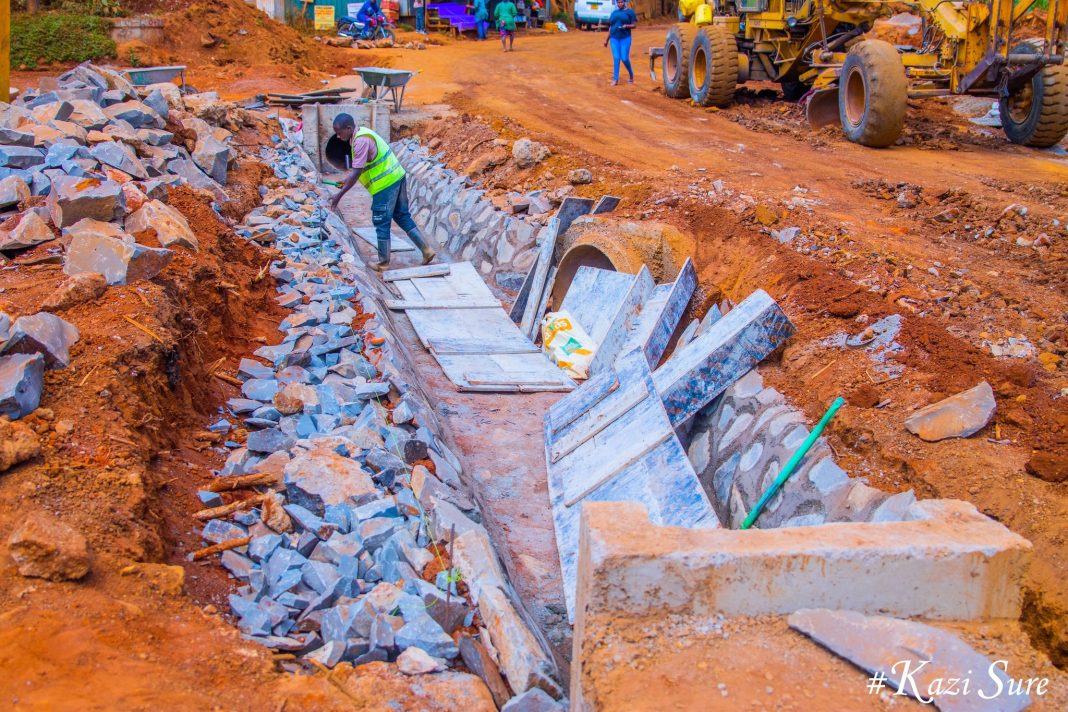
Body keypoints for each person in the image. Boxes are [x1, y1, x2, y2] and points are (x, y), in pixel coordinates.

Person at [328, 114, 435, 271]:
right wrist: (346, 180)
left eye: (339, 132)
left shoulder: (360, 141)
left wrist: (339, 195)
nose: (337, 136)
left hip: (385, 184)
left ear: (349, 128)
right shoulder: (363, 133)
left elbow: (357, 171)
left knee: (381, 221)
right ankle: (427, 250)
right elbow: (362, 167)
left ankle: (383, 263)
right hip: (397, 176)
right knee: (401, 215)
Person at [604, 0, 637, 85]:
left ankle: (631, 74)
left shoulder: (630, 12)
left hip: (625, 38)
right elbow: (611, 27)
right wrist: (606, 39)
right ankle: (615, 79)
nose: (620, 4)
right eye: (618, 2)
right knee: (616, 58)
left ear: (625, 2)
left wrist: (627, 26)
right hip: (614, 38)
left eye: (621, 2)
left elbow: (634, 25)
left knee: (624, 58)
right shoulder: (614, 13)